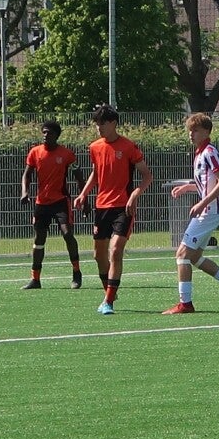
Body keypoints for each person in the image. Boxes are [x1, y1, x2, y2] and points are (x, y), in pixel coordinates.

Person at [165, 113, 219, 314]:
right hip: (210, 211)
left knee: (182, 255)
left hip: (210, 211)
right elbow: (207, 184)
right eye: (190, 130)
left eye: (195, 130)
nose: (191, 134)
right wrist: (188, 188)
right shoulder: (200, 154)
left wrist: (202, 203)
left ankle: (185, 304)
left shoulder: (210, 152)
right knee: (193, 257)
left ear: (207, 132)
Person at [75, 104, 152, 315]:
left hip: (123, 208)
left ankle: (108, 301)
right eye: (96, 124)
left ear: (113, 123)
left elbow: (147, 176)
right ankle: (109, 292)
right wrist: (83, 194)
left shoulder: (128, 147)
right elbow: (96, 173)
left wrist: (134, 195)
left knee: (116, 250)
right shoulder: (94, 147)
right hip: (102, 207)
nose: (98, 127)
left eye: (102, 123)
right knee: (98, 255)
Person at [19, 121, 84, 289]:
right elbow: (27, 175)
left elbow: (79, 176)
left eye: (49, 132)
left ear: (56, 135)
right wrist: (24, 192)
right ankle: (35, 279)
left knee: (67, 234)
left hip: (61, 201)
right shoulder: (35, 152)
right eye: (44, 132)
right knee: (39, 239)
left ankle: (76, 273)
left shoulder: (67, 154)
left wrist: (84, 198)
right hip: (42, 203)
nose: (45, 135)